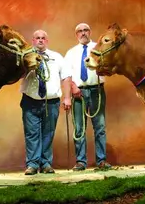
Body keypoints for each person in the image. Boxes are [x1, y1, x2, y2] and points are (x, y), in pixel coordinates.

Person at [20, 29, 72, 175]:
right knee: (31, 134)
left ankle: (46, 163)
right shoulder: (26, 58)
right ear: (33, 41)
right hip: (30, 101)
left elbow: (66, 77)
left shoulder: (57, 57)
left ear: (47, 41)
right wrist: (27, 65)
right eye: (37, 38)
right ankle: (32, 164)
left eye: (43, 38)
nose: (40, 40)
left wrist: (67, 97)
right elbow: (18, 76)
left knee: (48, 133)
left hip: (51, 102)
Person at [64, 23, 112, 171]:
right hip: (79, 93)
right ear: (76, 34)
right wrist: (73, 88)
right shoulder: (71, 53)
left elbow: (107, 66)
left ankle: (101, 160)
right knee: (79, 128)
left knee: (100, 127)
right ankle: (80, 161)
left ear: (90, 32)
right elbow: (67, 75)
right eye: (80, 31)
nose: (83, 33)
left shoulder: (98, 49)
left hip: (96, 90)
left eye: (85, 30)